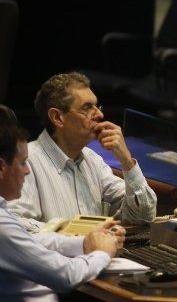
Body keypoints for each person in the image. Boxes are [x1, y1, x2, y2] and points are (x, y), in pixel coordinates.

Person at [0, 121, 123, 302]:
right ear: (1, 168)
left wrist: (85, 242)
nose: (27, 170)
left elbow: (31, 242)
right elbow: (66, 276)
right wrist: (101, 253)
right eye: (23, 163)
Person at [9, 72, 157, 232]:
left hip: (96, 256)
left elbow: (143, 218)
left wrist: (127, 161)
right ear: (57, 117)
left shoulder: (93, 161)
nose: (100, 115)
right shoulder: (26, 163)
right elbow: (14, 228)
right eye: (87, 108)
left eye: (97, 106)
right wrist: (77, 235)